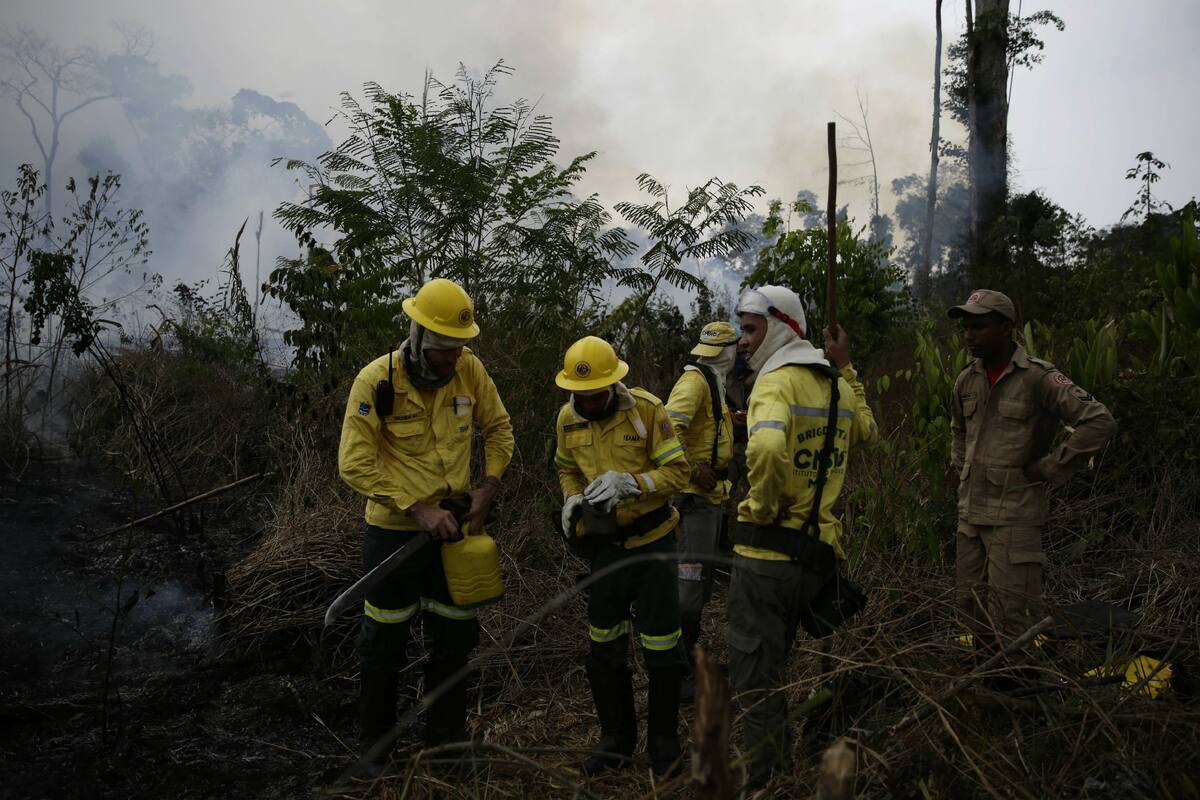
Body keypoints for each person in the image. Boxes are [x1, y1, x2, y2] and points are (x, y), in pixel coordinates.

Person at [338, 278, 514, 773]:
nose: (454, 358)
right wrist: (417, 508)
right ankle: (375, 752)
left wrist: (487, 486)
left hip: (455, 533)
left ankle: (446, 745)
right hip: (393, 536)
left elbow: (499, 429)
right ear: (418, 338)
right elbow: (353, 464)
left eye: (460, 347)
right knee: (383, 645)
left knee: (455, 640)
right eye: (444, 349)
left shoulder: (469, 370)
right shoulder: (376, 381)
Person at [725, 285, 878, 788]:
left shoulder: (775, 383)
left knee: (756, 680)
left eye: (751, 329)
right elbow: (868, 431)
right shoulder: (836, 387)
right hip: (816, 561)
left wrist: (764, 505)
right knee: (782, 663)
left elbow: (767, 448)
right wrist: (847, 368)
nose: (743, 340)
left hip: (765, 559)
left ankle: (767, 781)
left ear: (783, 327)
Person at [553, 336, 690, 777]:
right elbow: (566, 467)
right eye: (581, 396)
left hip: (653, 543)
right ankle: (615, 739)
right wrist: (572, 497)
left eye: (596, 396)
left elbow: (678, 472)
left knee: (662, 646)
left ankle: (664, 740)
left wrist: (632, 483)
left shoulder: (647, 411)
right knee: (604, 646)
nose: (589, 404)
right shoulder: (567, 419)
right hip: (605, 548)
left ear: (613, 385)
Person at [949, 289, 1116, 642]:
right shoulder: (967, 380)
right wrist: (961, 470)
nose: (969, 335)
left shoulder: (1038, 378)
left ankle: (1016, 677)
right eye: (966, 327)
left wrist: (1050, 468)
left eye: (979, 326)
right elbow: (958, 430)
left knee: (1013, 622)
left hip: (1014, 519)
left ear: (1006, 328)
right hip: (970, 518)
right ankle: (977, 676)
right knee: (969, 614)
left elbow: (1099, 421)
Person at [664, 321, 738, 702]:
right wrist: (693, 469)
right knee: (688, 587)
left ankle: (690, 660)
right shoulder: (694, 383)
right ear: (726, 351)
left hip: (709, 502)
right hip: (692, 501)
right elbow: (667, 428)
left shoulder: (713, 381)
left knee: (700, 584)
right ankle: (677, 674)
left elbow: (705, 428)